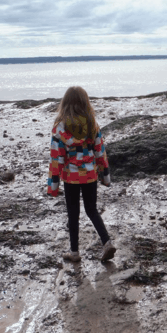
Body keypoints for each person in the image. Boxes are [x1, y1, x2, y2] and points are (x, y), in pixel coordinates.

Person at [47, 86, 114, 263]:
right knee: (91, 209)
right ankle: (107, 242)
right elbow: (100, 152)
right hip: (90, 174)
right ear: (85, 102)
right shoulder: (92, 124)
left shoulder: (60, 127)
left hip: (71, 177)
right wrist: (105, 176)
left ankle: (74, 252)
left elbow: (57, 159)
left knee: (73, 212)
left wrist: (53, 186)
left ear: (65, 103)